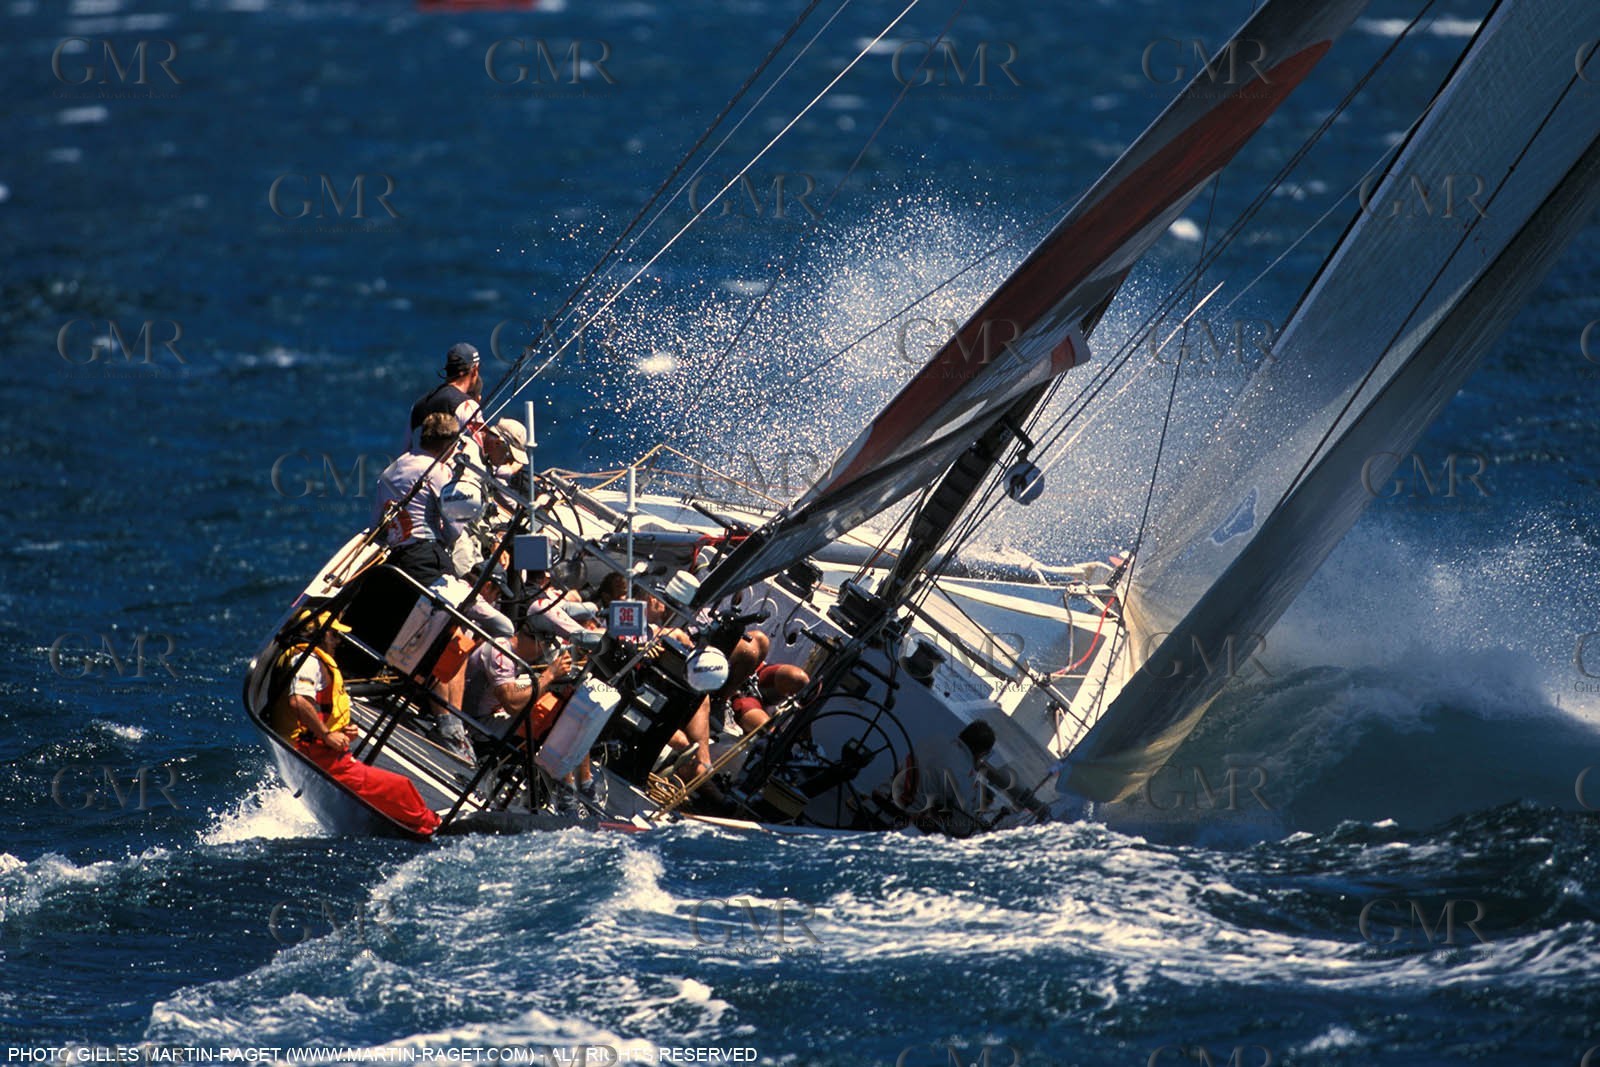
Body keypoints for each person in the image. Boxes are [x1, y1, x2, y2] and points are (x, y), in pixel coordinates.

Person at [268, 608, 441, 836]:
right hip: (315, 752)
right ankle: (430, 826)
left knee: (393, 786)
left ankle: (423, 822)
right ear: (320, 635)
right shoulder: (307, 661)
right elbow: (299, 701)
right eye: (335, 635)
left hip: (322, 748)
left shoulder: (311, 659)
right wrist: (327, 735)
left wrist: (338, 730)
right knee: (399, 787)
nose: (338, 642)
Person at [372, 412, 460, 585]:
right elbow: (454, 528)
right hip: (427, 557)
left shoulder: (389, 471)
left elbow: (376, 526)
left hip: (396, 559)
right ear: (449, 445)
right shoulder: (438, 471)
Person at [407, 342, 484, 459]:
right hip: (447, 476)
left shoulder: (417, 405)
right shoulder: (466, 405)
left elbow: (405, 450)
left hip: (417, 474)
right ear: (475, 370)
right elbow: (482, 449)